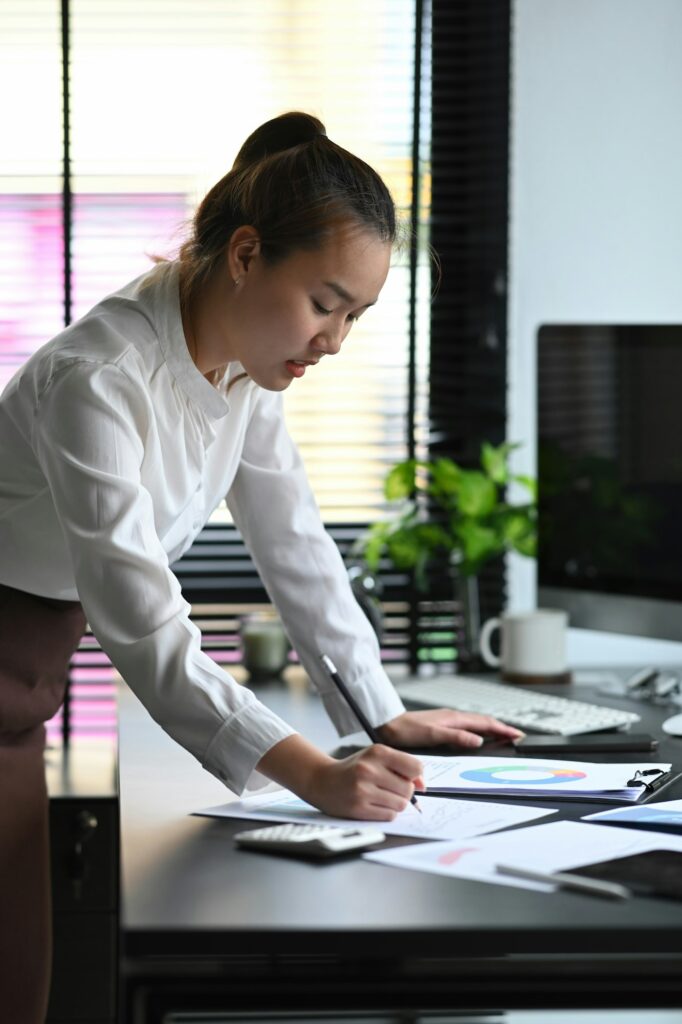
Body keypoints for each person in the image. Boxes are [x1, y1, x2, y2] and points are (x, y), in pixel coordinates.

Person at [0, 111, 521, 1021]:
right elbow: (142, 620)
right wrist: (314, 774)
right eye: (325, 303)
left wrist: (381, 718)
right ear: (245, 256)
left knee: (18, 978)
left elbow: (296, 548)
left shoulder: (244, 370)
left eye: (354, 316)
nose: (335, 340)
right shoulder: (100, 378)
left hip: (25, 670)